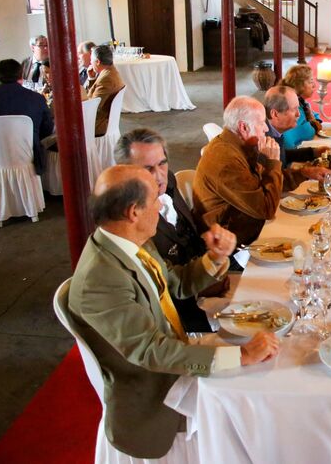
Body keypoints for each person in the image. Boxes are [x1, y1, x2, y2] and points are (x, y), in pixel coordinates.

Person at [68, 165, 280, 459]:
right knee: (259, 397)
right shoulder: (100, 279)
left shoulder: (129, 243)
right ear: (133, 212)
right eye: (155, 199)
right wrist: (241, 356)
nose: (161, 205)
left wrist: (216, 257)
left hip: (177, 354)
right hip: (156, 396)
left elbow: (176, 284)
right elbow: (152, 352)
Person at [114, 128, 231, 332]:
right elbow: (167, 287)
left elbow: (190, 236)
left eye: (162, 163)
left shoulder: (168, 183)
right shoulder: (130, 223)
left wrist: (215, 255)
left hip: (204, 283)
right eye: (147, 169)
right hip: (178, 317)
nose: (159, 176)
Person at [193, 96, 283, 246]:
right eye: (262, 123)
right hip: (228, 246)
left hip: (245, 224)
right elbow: (266, 209)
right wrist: (273, 163)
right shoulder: (226, 160)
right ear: (243, 127)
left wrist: (305, 174)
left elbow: (261, 184)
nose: (267, 129)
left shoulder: (238, 145)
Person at [263, 85, 331, 191]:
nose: (298, 114)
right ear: (275, 114)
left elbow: (283, 156)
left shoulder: (273, 131)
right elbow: (272, 183)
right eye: (294, 109)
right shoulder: (263, 140)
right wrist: (304, 173)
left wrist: (313, 152)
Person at [279, 64, 323, 149]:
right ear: (299, 85)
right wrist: (314, 125)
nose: (314, 86)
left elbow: (316, 117)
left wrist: (314, 122)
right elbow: (309, 132)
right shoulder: (292, 108)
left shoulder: (302, 103)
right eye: (310, 82)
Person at [85, 44, 125, 137]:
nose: (90, 63)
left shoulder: (106, 78)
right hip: (104, 119)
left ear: (98, 62)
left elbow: (93, 106)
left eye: (91, 60)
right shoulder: (111, 71)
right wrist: (91, 79)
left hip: (98, 123)